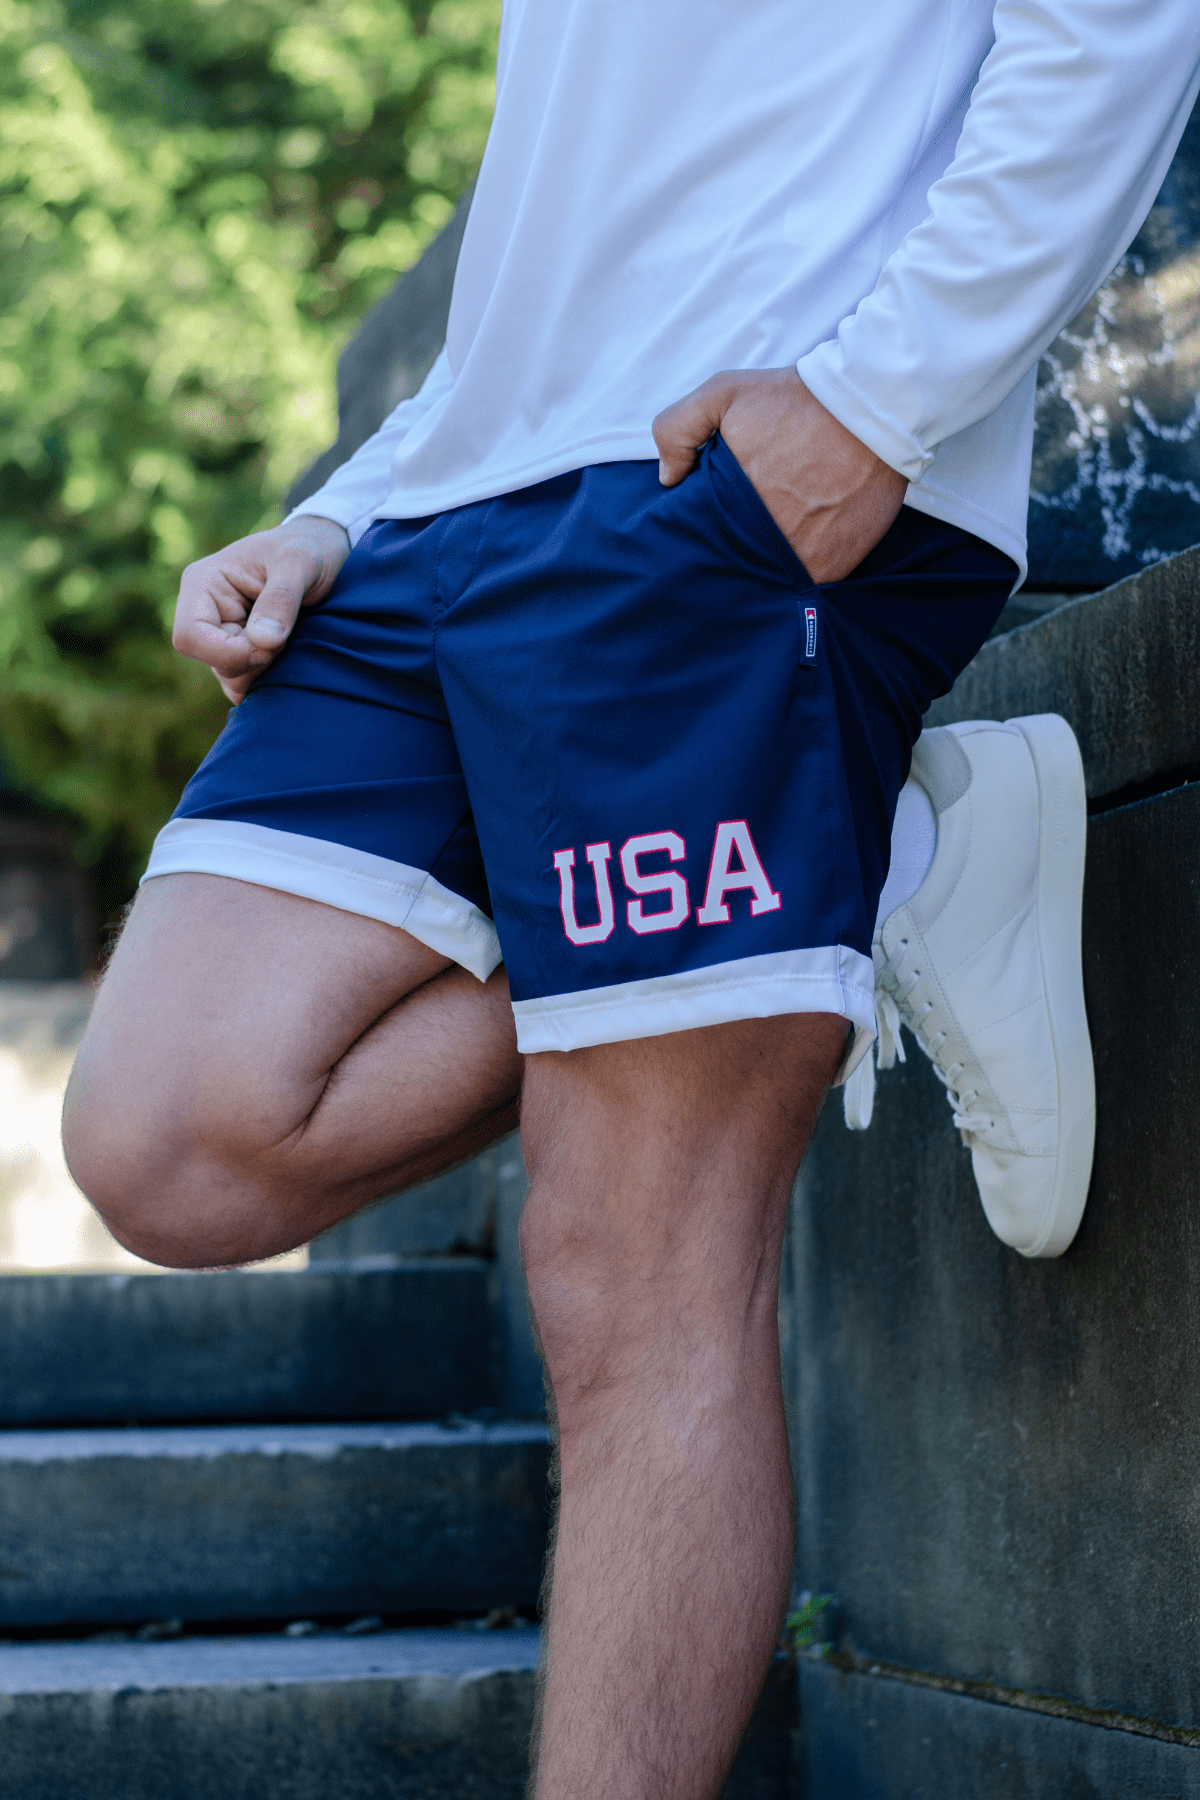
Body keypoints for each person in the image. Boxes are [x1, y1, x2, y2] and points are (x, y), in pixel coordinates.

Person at [62, 0, 1200, 1792]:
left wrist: (876, 408)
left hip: (725, 483)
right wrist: (350, 507)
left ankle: (823, 861)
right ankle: (872, 860)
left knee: (627, 1289)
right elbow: (569, 224)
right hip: (444, 507)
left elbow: (1116, 26)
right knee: (173, 1143)